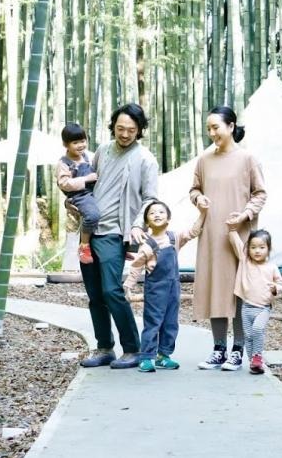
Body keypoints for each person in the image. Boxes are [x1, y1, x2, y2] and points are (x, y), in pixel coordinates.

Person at [79, 103, 159, 370]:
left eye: (131, 130)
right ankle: (104, 347)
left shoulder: (145, 159)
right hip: (89, 231)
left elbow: (150, 198)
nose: (125, 134)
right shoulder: (102, 150)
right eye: (120, 128)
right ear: (113, 126)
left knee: (111, 290)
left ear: (140, 130)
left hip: (115, 231)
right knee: (94, 294)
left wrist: (137, 225)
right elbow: (87, 183)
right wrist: (74, 203)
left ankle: (133, 348)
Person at [189, 106, 267, 372]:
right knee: (216, 290)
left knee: (240, 292)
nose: (212, 133)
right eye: (208, 128)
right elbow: (194, 189)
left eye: (216, 127)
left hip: (239, 235)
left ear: (231, 126)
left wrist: (245, 214)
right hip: (212, 234)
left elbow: (260, 193)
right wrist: (198, 198)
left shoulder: (248, 159)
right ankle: (219, 349)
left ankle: (238, 350)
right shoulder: (204, 160)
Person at [123, 199, 206, 373]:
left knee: (171, 322)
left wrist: (203, 213)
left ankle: (164, 356)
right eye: (152, 213)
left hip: (173, 288)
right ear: (147, 222)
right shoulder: (147, 245)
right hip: (155, 289)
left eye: (161, 212)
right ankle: (146, 357)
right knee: (153, 322)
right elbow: (136, 266)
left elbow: (193, 232)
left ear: (168, 218)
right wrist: (128, 286)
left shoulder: (174, 238)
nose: (157, 215)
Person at [229, 228, 282, 375]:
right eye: (253, 247)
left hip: (263, 308)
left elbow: (281, 284)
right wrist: (232, 229)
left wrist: (275, 288)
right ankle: (253, 362)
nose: (257, 251)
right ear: (248, 249)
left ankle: (258, 356)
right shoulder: (245, 262)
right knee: (248, 336)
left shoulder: (272, 267)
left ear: (268, 248)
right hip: (246, 307)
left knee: (257, 330)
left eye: (261, 247)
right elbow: (238, 245)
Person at [56, 123, 99, 265]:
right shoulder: (64, 163)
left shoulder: (88, 157)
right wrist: (86, 179)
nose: (80, 145)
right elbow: (63, 183)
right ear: (65, 145)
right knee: (93, 216)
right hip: (79, 196)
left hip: (93, 192)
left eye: (83, 141)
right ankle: (84, 245)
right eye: (75, 143)